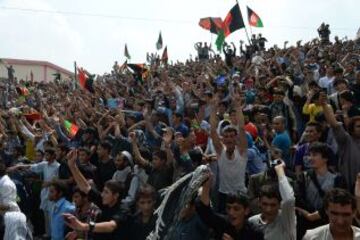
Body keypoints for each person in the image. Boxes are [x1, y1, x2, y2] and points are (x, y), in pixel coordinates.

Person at [65, 150, 129, 239]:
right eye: (103, 191)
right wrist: (72, 166)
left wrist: (83, 226)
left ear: (116, 195)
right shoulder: (104, 201)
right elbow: (85, 187)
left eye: (106, 192)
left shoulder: (123, 209)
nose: (102, 195)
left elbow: (111, 226)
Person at [209, 93, 248, 212]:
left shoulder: (241, 151)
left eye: (232, 136)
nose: (229, 138)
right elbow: (212, 130)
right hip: (223, 195)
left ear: (236, 139)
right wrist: (214, 108)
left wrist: (237, 107)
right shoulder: (220, 152)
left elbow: (241, 128)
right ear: (223, 140)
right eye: (226, 136)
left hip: (240, 195)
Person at [196, 172, 264, 239]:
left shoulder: (255, 233)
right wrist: (206, 186)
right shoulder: (222, 224)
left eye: (236, 209)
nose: (231, 213)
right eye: (228, 208)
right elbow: (205, 212)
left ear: (246, 210)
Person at [320, 91, 360, 190]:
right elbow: (334, 124)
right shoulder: (346, 140)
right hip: (349, 186)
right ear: (352, 128)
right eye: (359, 126)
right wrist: (324, 105)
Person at [248, 161, 296, 240]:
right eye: (265, 204)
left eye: (273, 205)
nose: (268, 209)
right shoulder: (252, 222)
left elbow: (289, 200)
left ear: (280, 205)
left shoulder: (286, 221)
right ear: (259, 203)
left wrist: (280, 170)